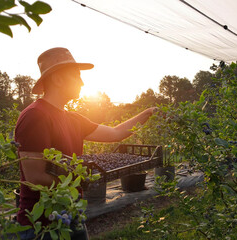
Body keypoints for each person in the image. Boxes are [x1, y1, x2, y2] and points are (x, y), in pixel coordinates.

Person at [14, 47, 157, 239]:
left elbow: (116, 133)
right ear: (57, 79)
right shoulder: (35, 116)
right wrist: (82, 180)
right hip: (41, 226)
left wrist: (148, 113)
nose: (82, 82)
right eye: (76, 76)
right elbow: (35, 177)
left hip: (71, 214)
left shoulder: (73, 119)